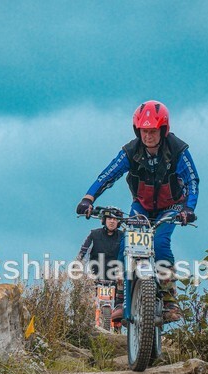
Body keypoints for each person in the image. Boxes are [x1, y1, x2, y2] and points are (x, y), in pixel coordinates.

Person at [75, 100, 199, 322]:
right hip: (141, 206)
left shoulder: (178, 150)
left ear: (163, 130)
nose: (148, 136)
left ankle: (170, 302)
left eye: (152, 131)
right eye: (144, 131)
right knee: (126, 245)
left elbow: (192, 181)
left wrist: (189, 208)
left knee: (160, 244)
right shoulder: (131, 151)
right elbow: (108, 174)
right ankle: (123, 300)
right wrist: (88, 198)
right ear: (137, 130)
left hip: (171, 207)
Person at [76, 209, 124, 280]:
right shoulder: (94, 234)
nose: (112, 221)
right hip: (94, 277)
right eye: (109, 218)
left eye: (115, 219)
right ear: (104, 220)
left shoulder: (123, 236)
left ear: (118, 222)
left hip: (117, 278)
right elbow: (83, 252)